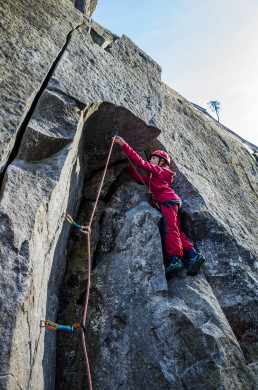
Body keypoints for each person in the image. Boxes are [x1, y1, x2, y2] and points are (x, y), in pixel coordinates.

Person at [114, 135, 205, 278]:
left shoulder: (159, 171)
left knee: (169, 230)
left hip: (168, 202)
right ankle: (194, 255)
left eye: (154, 158)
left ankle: (176, 260)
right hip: (170, 203)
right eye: (151, 158)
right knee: (177, 232)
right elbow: (140, 177)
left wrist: (123, 144)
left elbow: (140, 163)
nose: (150, 160)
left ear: (162, 162)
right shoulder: (154, 178)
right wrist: (127, 167)